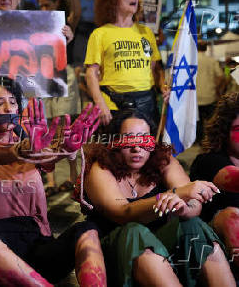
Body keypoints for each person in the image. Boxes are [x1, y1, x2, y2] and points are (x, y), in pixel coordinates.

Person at [0, 76, 106, 286]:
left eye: (13, 102)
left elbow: (49, 155)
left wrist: (66, 148)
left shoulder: (34, 147)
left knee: (87, 230)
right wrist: (22, 150)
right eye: (0, 104)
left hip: (35, 245)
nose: (9, 108)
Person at [83, 109, 235, 286]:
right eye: (129, 139)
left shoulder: (163, 160)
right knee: (134, 231)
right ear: (114, 142)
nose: (136, 148)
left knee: (192, 224)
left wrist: (183, 208)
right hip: (120, 255)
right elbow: (122, 213)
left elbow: (194, 204)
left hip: (162, 250)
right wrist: (176, 194)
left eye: (144, 139)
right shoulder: (100, 169)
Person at [85, 0, 169, 126]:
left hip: (147, 103)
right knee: (120, 146)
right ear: (112, 1)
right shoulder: (100, 34)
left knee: (148, 146)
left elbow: (156, 69)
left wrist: (164, 87)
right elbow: (91, 73)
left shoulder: (147, 32)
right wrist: (100, 103)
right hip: (114, 104)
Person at [38, 0, 82, 196]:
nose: (43, 8)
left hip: (63, 74)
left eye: (47, 4)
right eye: (41, 5)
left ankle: (74, 176)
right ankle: (50, 181)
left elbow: (76, 9)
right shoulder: (35, 22)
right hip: (41, 75)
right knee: (44, 127)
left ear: (58, 4)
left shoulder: (67, 22)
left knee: (64, 128)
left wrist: (69, 36)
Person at [190, 92, 239, 267]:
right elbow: (232, 178)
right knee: (232, 216)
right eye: (238, 129)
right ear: (223, 132)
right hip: (211, 248)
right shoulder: (208, 161)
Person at [195, 41, 225, 142]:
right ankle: (209, 141)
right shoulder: (212, 61)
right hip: (210, 96)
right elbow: (221, 76)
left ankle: (199, 141)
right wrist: (217, 87)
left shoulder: (191, 61)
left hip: (195, 98)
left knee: (197, 122)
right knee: (211, 121)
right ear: (206, 48)